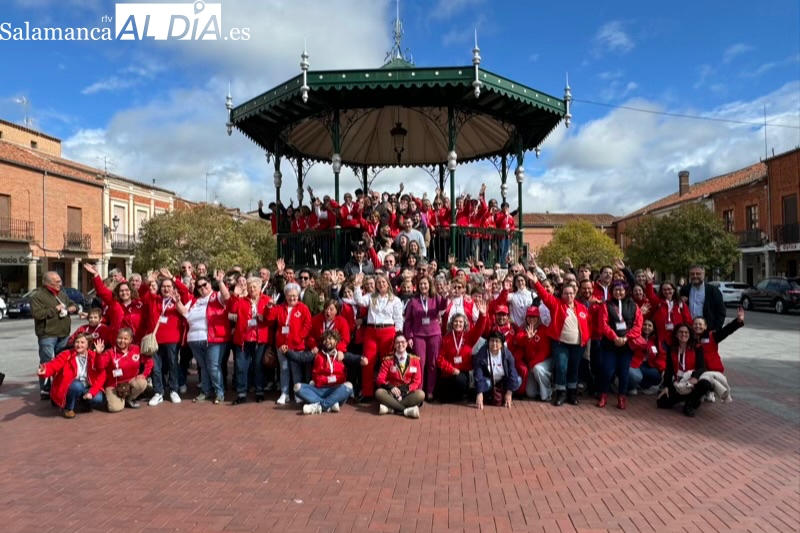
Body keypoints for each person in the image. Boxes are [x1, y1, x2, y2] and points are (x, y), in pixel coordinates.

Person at [529, 264, 590, 407]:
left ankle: (572, 393)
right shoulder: (556, 304)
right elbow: (544, 295)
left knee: (574, 368)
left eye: (571, 293)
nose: (568, 295)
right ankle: (561, 393)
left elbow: (588, 325)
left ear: (575, 294)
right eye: (566, 293)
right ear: (561, 294)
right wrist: (536, 282)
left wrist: (585, 339)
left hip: (577, 344)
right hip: (560, 343)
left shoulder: (582, 308)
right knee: (562, 367)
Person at [175, 271, 231, 404]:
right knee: (203, 366)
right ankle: (205, 391)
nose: (202, 288)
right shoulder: (195, 301)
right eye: (199, 287)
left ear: (209, 284)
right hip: (194, 339)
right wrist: (177, 301)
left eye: (204, 284)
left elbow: (227, 296)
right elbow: (184, 312)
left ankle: (219, 392)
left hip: (213, 338)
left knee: (213, 366)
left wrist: (220, 282)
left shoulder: (216, 296)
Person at [140, 269, 191, 406]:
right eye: (163, 287)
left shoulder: (177, 300)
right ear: (160, 289)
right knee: (156, 367)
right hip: (156, 340)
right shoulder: (154, 299)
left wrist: (173, 278)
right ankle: (159, 392)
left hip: (173, 339)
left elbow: (185, 291)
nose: (166, 289)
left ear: (173, 289)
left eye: (169, 287)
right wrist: (148, 281)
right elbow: (141, 293)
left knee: (173, 365)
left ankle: (174, 390)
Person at [353, 273, 404, 401]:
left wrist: (398, 334)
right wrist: (357, 286)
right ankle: (367, 393)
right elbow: (359, 301)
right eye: (379, 282)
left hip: (388, 332)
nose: (381, 284)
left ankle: (389, 391)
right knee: (367, 362)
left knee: (387, 362)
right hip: (371, 331)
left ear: (388, 284)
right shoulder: (371, 297)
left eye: (383, 282)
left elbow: (398, 319)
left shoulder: (395, 300)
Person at [31, 271, 78, 400]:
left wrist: (73, 308)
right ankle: (45, 388)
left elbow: (72, 304)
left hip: (63, 333)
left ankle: (59, 385)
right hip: (47, 335)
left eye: (60, 280)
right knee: (46, 361)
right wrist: (55, 309)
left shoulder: (62, 294)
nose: (60, 283)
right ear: (48, 283)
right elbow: (38, 314)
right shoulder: (38, 297)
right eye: (57, 281)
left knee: (62, 361)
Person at [597, 282, 643, 410]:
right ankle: (603, 395)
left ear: (626, 291)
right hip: (609, 344)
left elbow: (638, 326)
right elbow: (603, 324)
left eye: (621, 290)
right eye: (616, 290)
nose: (618, 292)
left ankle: (622, 397)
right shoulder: (606, 305)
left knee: (624, 372)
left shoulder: (633, 306)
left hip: (626, 345)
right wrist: (614, 338)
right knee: (607, 371)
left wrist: (626, 338)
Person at [296, 331, 366, 414]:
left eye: (330, 339)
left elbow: (355, 358)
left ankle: (320, 406)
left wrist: (363, 359)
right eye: (325, 340)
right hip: (319, 389)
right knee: (297, 387)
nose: (327, 341)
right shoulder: (317, 354)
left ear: (336, 341)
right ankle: (330, 404)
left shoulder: (341, 355)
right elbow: (300, 357)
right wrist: (286, 352)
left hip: (336, 390)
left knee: (349, 386)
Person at [37, 333, 106, 418]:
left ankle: (82, 402)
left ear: (88, 344)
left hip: (87, 386)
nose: (79, 345)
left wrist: (91, 393)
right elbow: (54, 365)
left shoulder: (94, 356)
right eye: (77, 342)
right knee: (77, 386)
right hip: (71, 385)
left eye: (82, 342)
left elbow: (101, 376)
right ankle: (69, 408)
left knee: (98, 398)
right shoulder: (67, 354)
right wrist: (45, 370)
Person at [229, 276, 273, 405]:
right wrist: (234, 296)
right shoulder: (241, 300)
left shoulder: (266, 300)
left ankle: (259, 391)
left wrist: (266, 313)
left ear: (259, 288)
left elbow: (271, 320)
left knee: (258, 366)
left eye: (254, 287)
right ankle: (241, 393)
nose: (252, 289)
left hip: (260, 338)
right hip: (243, 338)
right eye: (250, 287)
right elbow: (232, 310)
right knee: (241, 366)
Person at [403, 276, 448, 400]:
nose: (423, 286)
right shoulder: (413, 301)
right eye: (421, 284)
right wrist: (409, 337)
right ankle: (419, 389)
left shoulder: (436, 298)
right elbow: (408, 321)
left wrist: (445, 295)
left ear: (430, 285)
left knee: (432, 363)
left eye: (425, 284)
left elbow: (443, 307)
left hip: (434, 334)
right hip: (418, 335)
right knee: (419, 363)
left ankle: (430, 391)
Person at [268, 283, 312, 404]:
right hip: (282, 345)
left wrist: (299, 337)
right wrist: (269, 308)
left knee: (296, 369)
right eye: (289, 295)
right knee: (284, 369)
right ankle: (285, 393)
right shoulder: (280, 308)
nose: (292, 298)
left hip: (296, 345)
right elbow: (270, 320)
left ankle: (297, 394)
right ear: (285, 296)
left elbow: (307, 325)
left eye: (294, 296)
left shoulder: (303, 308)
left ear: (298, 296)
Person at [657, 324, 714, 417]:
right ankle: (691, 398)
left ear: (690, 334)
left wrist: (695, 377)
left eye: (686, 332)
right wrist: (666, 386)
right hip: (679, 382)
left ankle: (690, 405)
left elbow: (702, 367)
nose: (683, 334)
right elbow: (669, 370)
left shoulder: (697, 347)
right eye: (680, 332)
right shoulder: (672, 348)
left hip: (692, 381)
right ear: (676, 334)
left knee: (705, 384)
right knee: (661, 402)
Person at [437, 302, 488, 403]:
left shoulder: (469, 337)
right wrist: (451, 369)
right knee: (442, 395)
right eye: (456, 321)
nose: (458, 324)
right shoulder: (446, 339)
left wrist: (482, 316)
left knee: (459, 381)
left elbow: (479, 328)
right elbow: (440, 359)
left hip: (463, 372)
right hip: (449, 372)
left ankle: (461, 395)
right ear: (452, 323)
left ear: (464, 324)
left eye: (460, 322)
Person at [84, 263, 144, 342]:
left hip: (135, 340)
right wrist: (96, 275)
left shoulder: (138, 304)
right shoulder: (114, 302)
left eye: (126, 290)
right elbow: (101, 290)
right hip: (117, 339)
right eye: (121, 291)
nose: (124, 293)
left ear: (131, 291)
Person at [96, 328, 152, 412]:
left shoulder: (136, 349)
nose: (122, 341)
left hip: (131, 381)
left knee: (142, 383)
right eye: (120, 338)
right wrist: (99, 354)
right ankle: (116, 397)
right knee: (114, 408)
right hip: (114, 384)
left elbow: (149, 362)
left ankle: (129, 398)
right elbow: (100, 366)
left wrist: (144, 374)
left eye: (125, 338)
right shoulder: (110, 352)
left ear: (130, 340)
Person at [375, 334, 424, 418]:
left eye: (402, 342)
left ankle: (391, 408)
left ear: (407, 344)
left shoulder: (415, 360)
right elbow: (380, 379)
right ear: (394, 345)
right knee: (379, 392)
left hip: (407, 392)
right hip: (392, 392)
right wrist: (390, 387)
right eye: (397, 343)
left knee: (421, 394)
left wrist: (405, 392)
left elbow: (417, 381)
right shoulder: (388, 360)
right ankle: (405, 411)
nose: (400, 345)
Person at [473, 331, 521, 409]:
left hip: (503, 381)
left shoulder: (507, 355)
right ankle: (487, 394)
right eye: (492, 341)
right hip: (488, 380)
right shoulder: (481, 355)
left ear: (502, 344)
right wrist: (479, 393)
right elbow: (478, 374)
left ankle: (505, 393)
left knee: (518, 380)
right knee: (484, 384)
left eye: (497, 341)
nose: (494, 344)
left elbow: (512, 372)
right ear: (488, 342)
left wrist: (509, 392)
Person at [514, 307, 553, 401]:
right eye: (530, 317)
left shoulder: (544, 330)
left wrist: (532, 364)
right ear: (526, 318)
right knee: (530, 393)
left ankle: (547, 394)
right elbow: (518, 339)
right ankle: (540, 387)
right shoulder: (523, 329)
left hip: (545, 361)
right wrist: (527, 338)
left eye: (535, 317)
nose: (532, 319)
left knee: (538, 369)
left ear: (539, 318)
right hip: (532, 364)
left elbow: (545, 352)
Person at [681, 265, 726, 331]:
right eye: (692, 274)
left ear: (703, 274)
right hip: (688, 329)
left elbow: (721, 311)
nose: (695, 276)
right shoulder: (684, 290)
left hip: (707, 329)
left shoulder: (713, 290)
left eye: (698, 274)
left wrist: (716, 329)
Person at [627, 319, 663, 396]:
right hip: (635, 364)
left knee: (658, 376)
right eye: (645, 324)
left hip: (648, 365)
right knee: (636, 377)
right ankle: (629, 387)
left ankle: (640, 386)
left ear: (653, 328)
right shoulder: (636, 336)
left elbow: (661, 355)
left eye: (649, 325)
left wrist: (662, 368)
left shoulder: (656, 340)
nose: (647, 327)